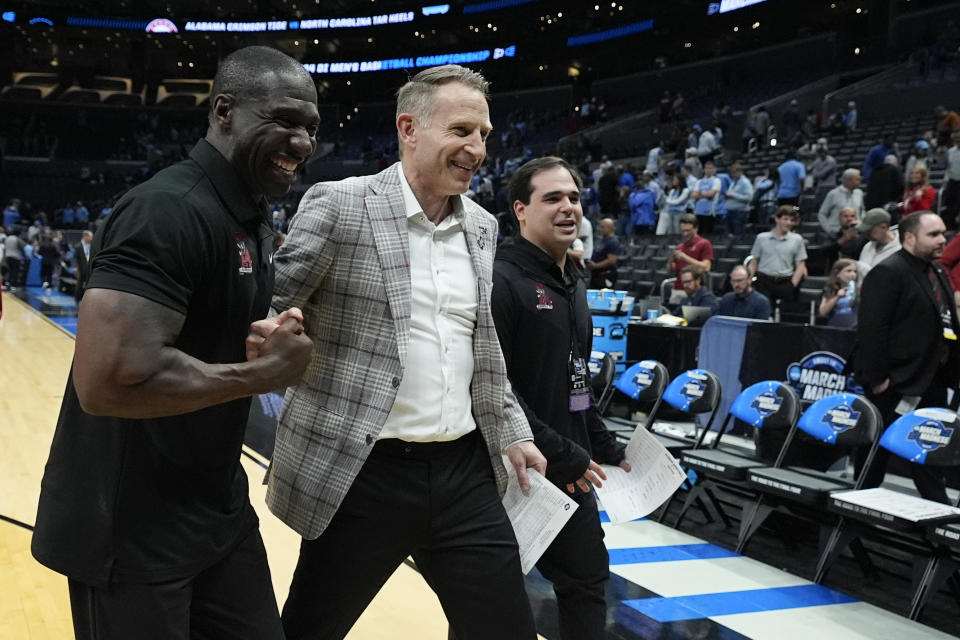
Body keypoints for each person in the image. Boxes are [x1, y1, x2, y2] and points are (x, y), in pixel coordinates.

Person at [31, 46, 318, 640]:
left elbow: (200, 332)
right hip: (129, 527)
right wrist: (261, 377)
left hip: (215, 508)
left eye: (311, 128)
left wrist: (254, 342)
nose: (302, 142)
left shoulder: (249, 214)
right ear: (224, 112)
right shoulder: (166, 210)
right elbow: (108, 382)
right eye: (285, 121)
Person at [263, 64, 545, 640]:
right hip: (365, 472)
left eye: (485, 135)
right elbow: (269, 301)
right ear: (409, 128)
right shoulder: (340, 205)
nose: (477, 149)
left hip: (465, 471)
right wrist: (269, 336)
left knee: (504, 627)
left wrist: (513, 429)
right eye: (462, 131)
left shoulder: (485, 228)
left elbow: (482, 349)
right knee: (310, 629)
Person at [492, 156, 629, 639]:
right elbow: (494, 388)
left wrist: (601, 440)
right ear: (521, 210)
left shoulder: (573, 280)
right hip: (504, 474)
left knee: (588, 582)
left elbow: (575, 379)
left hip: (568, 472)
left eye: (573, 197)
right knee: (491, 604)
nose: (568, 206)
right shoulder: (500, 280)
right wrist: (562, 450)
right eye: (552, 198)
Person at [856, 212, 960, 504]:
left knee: (929, 453)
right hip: (896, 383)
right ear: (910, 238)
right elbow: (871, 329)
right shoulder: (889, 271)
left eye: (943, 233)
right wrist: (879, 380)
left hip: (932, 381)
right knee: (874, 456)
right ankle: (854, 515)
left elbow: (945, 322)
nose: (943, 239)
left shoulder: (938, 272)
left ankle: (939, 524)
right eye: (934, 234)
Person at [749, 205, 807, 307]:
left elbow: (800, 265)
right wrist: (748, 281)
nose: (789, 223)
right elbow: (754, 262)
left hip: (785, 281)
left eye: (791, 220)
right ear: (777, 219)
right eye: (785, 219)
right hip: (763, 280)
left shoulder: (797, 239)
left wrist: (792, 285)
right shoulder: (761, 238)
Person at [665, 214, 714, 305]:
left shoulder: (704, 244)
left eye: (688, 231)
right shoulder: (680, 247)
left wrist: (685, 258)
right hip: (677, 290)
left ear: (696, 229)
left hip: (694, 292)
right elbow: (670, 271)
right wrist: (670, 260)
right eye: (683, 231)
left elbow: (706, 267)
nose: (685, 234)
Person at [856, 208, 901, 280]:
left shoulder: (899, 249)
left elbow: (882, 278)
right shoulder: (868, 246)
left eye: (870, 230)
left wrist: (857, 265)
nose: (866, 233)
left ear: (884, 227)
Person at [817, 168, 864, 235]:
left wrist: (861, 223)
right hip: (836, 232)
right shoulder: (833, 194)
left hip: (855, 231)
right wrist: (828, 229)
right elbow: (822, 213)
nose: (860, 181)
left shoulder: (859, 193)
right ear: (849, 180)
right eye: (857, 179)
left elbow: (862, 211)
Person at [818, 258, 859, 328]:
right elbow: (822, 312)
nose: (853, 274)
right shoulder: (831, 288)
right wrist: (837, 297)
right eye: (848, 271)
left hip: (853, 326)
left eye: (855, 271)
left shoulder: (859, 289)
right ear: (837, 273)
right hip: (834, 326)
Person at [587, 217, 620, 289]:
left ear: (609, 228)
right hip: (596, 274)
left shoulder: (613, 242)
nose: (600, 229)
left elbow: (611, 260)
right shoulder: (602, 240)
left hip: (605, 275)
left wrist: (595, 265)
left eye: (602, 227)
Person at [723, 162, 754, 236]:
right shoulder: (733, 182)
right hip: (730, 211)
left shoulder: (745, 182)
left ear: (740, 171)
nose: (733, 174)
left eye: (734, 172)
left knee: (738, 234)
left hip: (739, 213)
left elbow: (749, 197)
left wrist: (734, 196)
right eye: (732, 173)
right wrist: (727, 196)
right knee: (729, 234)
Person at [691, 159, 721, 233]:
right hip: (698, 211)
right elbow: (694, 195)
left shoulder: (716, 180)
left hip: (710, 211)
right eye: (707, 168)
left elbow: (711, 194)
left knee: (708, 233)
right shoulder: (699, 181)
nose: (708, 170)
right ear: (704, 169)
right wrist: (705, 194)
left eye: (710, 168)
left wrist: (700, 194)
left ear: (713, 169)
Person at [72, 230, 94, 301]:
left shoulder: (92, 246)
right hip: (80, 269)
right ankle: (77, 299)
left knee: (89, 285)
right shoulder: (78, 246)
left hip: (89, 269)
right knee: (79, 285)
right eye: (90, 237)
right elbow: (74, 258)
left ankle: (87, 299)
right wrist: (75, 267)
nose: (92, 239)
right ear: (85, 236)